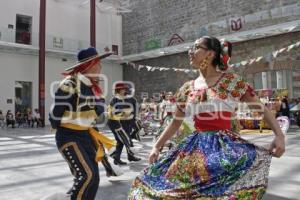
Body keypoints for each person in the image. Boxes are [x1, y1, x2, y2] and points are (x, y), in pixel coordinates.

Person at [128, 36, 285, 199]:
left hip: (223, 150)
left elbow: (261, 108)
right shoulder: (187, 88)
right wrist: (157, 146)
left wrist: (279, 135)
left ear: (210, 54)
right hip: (193, 150)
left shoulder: (230, 81)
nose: (190, 52)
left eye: (196, 47)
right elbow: (175, 122)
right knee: (164, 189)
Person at [49, 47, 116, 200]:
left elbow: (97, 110)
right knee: (87, 176)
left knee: (94, 178)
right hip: (68, 136)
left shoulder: (92, 86)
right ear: (90, 65)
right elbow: (55, 113)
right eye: (98, 63)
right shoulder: (70, 83)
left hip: (85, 135)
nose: (100, 67)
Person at [107, 82, 141, 165]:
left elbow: (135, 107)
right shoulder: (114, 99)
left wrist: (133, 116)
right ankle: (123, 157)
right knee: (123, 140)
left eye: (125, 89)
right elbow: (113, 112)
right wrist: (124, 112)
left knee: (124, 140)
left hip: (128, 122)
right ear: (118, 90)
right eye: (123, 89)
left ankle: (121, 157)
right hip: (118, 123)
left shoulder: (130, 98)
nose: (125, 90)